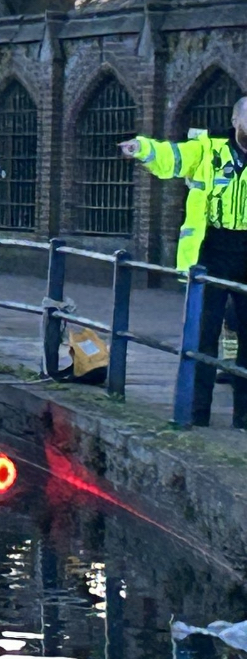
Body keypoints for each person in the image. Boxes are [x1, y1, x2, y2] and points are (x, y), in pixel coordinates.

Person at [121, 97, 247, 427]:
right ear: (235, 121)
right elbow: (173, 157)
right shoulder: (208, 150)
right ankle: (195, 412)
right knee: (202, 336)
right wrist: (143, 149)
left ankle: (245, 417)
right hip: (212, 251)